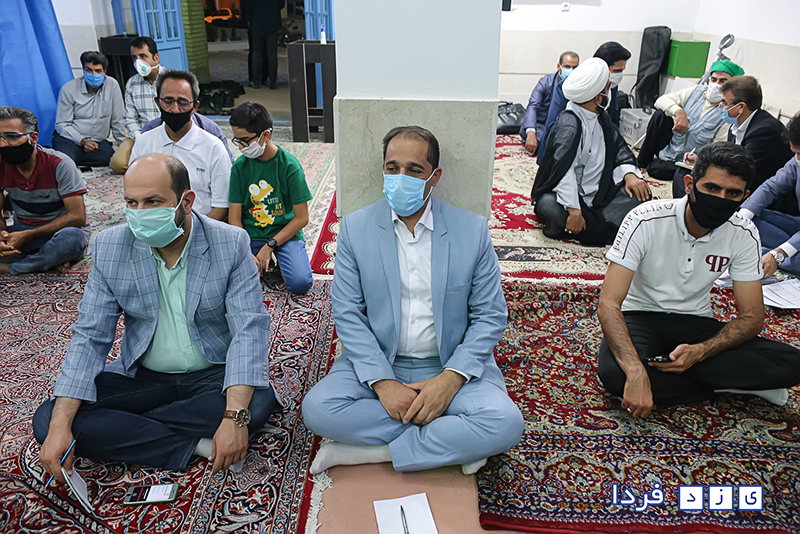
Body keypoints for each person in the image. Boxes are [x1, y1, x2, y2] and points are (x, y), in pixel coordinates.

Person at [33, 153, 280, 479]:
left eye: (152, 202)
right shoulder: (111, 247)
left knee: (255, 404)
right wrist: (62, 424)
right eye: (131, 203)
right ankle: (193, 444)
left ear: (186, 201)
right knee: (49, 420)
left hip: (213, 374)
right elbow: (90, 336)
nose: (140, 213)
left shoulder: (229, 243)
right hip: (144, 377)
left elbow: (249, 328)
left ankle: (130, 429)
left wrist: (234, 416)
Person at [302, 126, 524, 474]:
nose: (400, 178)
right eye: (392, 168)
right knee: (318, 409)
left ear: (434, 176)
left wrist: (450, 380)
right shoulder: (356, 229)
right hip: (381, 361)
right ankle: (456, 440)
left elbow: (490, 316)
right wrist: (383, 383)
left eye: (414, 170)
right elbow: (347, 314)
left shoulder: (471, 230)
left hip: (447, 363)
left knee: (505, 423)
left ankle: (374, 452)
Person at [598, 142, 800, 417]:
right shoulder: (645, 219)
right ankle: (729, 386)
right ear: (690, 184)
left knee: (791, 363)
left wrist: (701, 351)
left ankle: (682, 378)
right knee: (617, 376)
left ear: (745, 196)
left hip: (696, 322)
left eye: (732, 193)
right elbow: (609, 303)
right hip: (639, 316)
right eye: (712, 188)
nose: (720, 199)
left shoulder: (743, 232)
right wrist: (634, 371)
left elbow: (752, 316)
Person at [531, 58, 651, 246]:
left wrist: (629, 174)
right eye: (607, 88)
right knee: (549, 206)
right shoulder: (569, 125)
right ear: (598, 98)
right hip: (568, 197)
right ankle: (589, 223)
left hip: (600, 192)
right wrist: (574, 210)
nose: (609, 93)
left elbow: (619, 147)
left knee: (640, 195)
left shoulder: (601, 118)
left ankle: (587, 226)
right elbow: (563, 172)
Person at [228, 102, 313, 294]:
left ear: (266, 135)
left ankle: (281, 258)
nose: (240, 147)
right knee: (236, 280)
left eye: (245, 141)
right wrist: (245, 252)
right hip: (250, 235)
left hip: (284, 233)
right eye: (237, 141)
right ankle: (269, 262)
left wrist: (270, 245)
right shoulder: (239, 167)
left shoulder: (289, 166)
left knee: (300, 284)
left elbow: (302, 218)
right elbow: (234, 219)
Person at [130, 70, 231, 221]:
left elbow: (221, 207)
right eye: (168, 101)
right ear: (157, 102)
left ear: (195, 106)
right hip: (152, 225)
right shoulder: (144, 143)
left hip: (200, 227)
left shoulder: (213, 147)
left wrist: (194, 231)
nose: (175, 109)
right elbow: (133, 195)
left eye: (183, 102)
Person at [0, 106, 90, 275]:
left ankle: (13, 267)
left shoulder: (59, 164)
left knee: (72, 240)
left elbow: (78, 216)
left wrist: (27, 236)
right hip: (22, 231)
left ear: (33, 138)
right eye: (0, 137)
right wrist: (2, 236)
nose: (3, 144)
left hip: (61, 232)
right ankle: (47, 261)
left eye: (11, 136)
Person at [675, 76, 792, 200]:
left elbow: (741, 168)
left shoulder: (765, 130)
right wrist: (700, 161)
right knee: (684, 174)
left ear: (741, 107)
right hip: (740, 177)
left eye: (725, 103)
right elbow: (730, 159)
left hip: (760, 191)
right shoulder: (736, 124)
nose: (721, 106)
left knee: (695, 181)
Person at [637, 60, 743, 180]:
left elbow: (718, 148)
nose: (716, 85)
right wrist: (679, 112)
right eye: (713, 80)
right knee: (660, 115)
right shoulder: (696, 91)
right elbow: (661, 100)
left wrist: (699, 160)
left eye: (723, 82)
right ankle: (643, 161)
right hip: (671, 149)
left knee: (659, 170)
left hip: (693, 160)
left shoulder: (729, 111)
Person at [539, 41, 631, 160]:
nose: (619, 76)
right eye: (617, 71)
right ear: (601, 68)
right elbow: (553, 126)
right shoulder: (571, 86)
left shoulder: (612, 84)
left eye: (622, 71)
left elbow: (613, 117)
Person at [740, 111, 800, 277]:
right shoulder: (797, 160)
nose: (798, 159)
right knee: (748, 218)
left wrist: (778, 254)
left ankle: (766, 253)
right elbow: (771, 186)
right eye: (796, 153)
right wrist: (743, 216)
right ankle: (772, 252)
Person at [53, 51, 127, 168]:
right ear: (83, 70)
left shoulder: (112, 85)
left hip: (97, 142)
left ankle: (72, 158)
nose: (93, 74)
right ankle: (68, 157)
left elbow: (117, 121)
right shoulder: (69, 89)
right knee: (65, 162)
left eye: (98, 71)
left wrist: (124, 148)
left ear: (104, 71)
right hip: (71, 139)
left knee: (108, 156)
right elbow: (62, 124)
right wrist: (82, 141)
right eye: (89, 70)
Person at [519, 51, 580, 156]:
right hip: (541, 126)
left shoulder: (579, 85)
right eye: (567, 66)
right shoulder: (546, 82)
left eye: (575, 68)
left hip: (565, 128)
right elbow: (533, 106)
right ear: (559, 66)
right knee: (547, 145)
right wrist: (531, 132)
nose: (571, 71)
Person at [244, 0, 285, 89]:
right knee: (272, 54)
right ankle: (272, 82)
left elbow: (249, 5)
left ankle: (255, 81)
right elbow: (282, 4)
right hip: (273, 22)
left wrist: (248, 18)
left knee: (257, 52)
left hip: (257, 22)